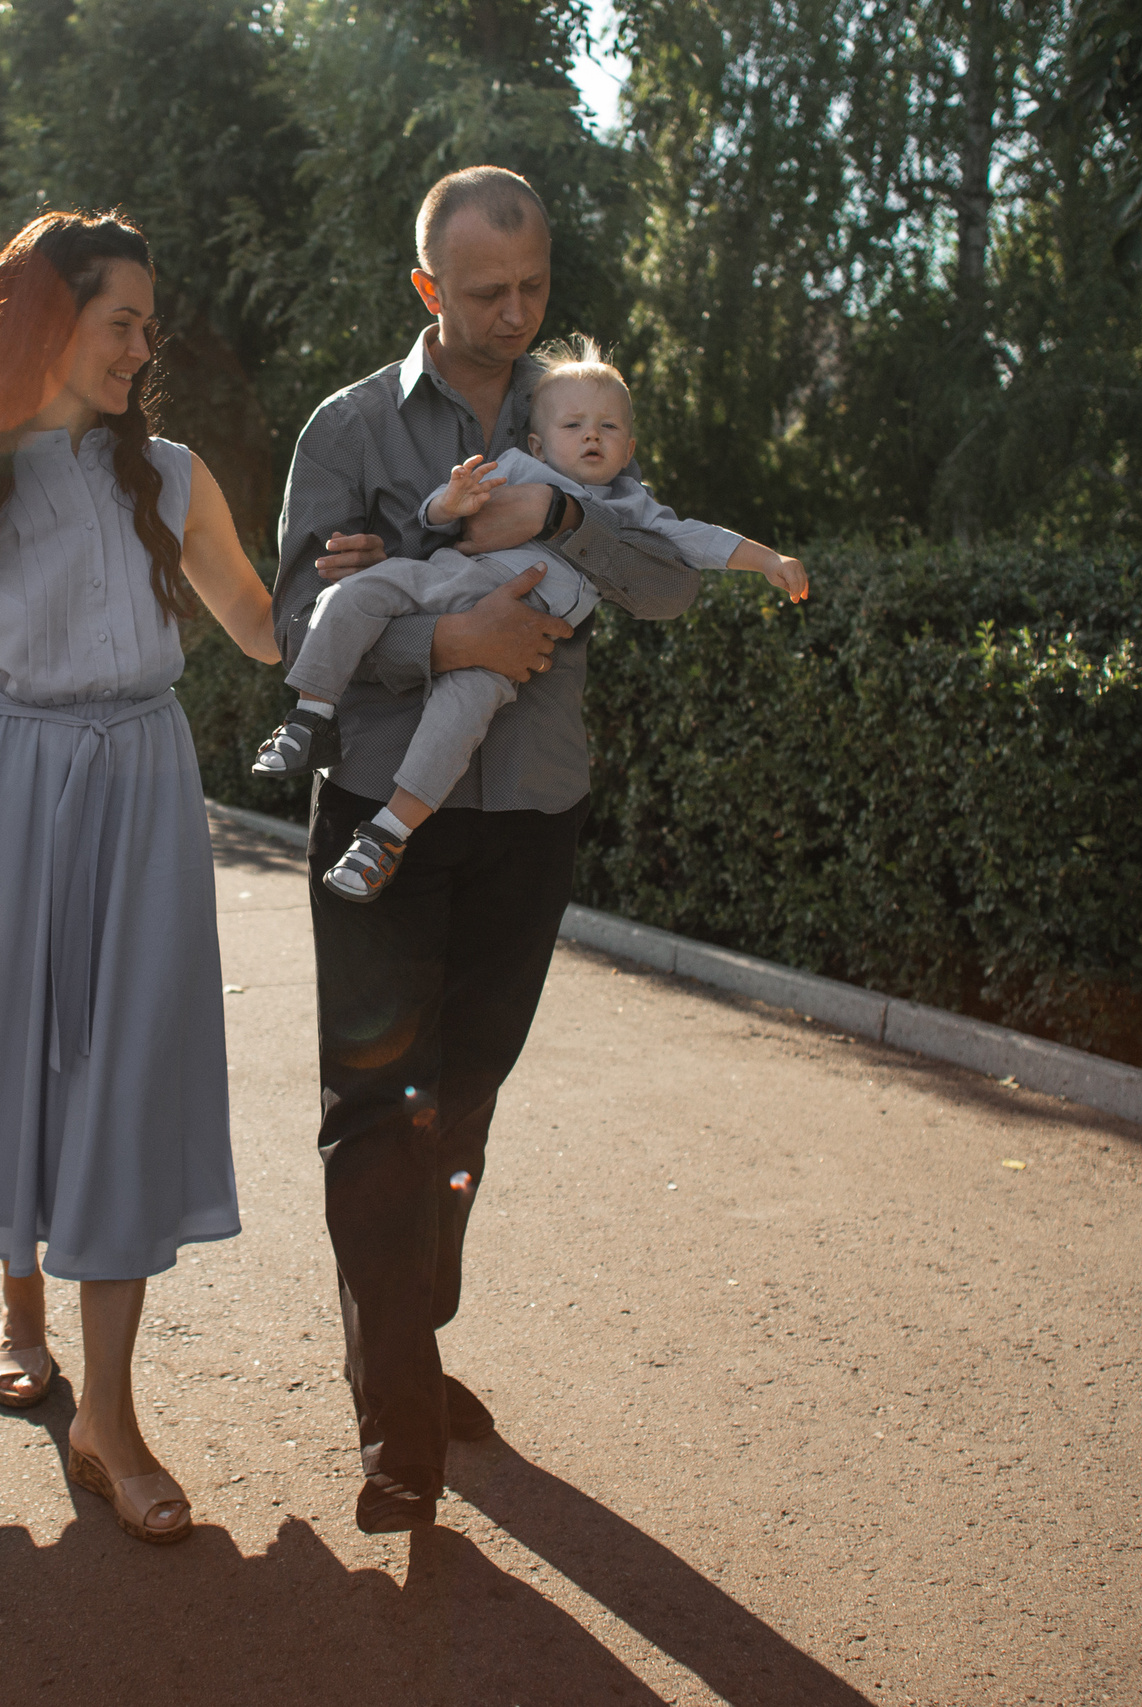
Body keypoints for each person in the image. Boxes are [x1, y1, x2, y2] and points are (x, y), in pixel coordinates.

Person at [269, 166, 716, 1534]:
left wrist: (567, 516)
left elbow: (672, 586)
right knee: (374, 1102)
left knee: (463, 1101)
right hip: (377, 810)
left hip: (531, 805)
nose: (515, 313)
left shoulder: (576, 414)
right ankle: (397, 1418)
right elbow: (298, 630)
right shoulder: (348, 427)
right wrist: (447, 640)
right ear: (427, 290)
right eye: (484, 293)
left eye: (531, 287)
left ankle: (406, 1327)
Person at [0, 210, 281, 1546]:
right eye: (121, 322)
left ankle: (108, 1411)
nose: (143, 348)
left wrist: (384, 587)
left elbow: (264, 633)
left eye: (149, 327)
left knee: (122, 1072)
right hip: (4, 781)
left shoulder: (170, 473)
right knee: (12, 1054)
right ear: (50, 319)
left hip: (147, 782)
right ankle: (19, 1304)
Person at [254, 338, 808, 900]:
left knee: (457, 719)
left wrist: (768, 560)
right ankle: (309, 718)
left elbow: (689, 557)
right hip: (443, 583)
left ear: (629, 446)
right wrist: (446, 510)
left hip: (521, 664)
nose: (593, 435)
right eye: (575, 426)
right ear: (539, 445)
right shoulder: (505, 463)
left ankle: (386, 835)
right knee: (357, 591)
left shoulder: (629, 504)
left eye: (609, 429)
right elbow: (434, 516)